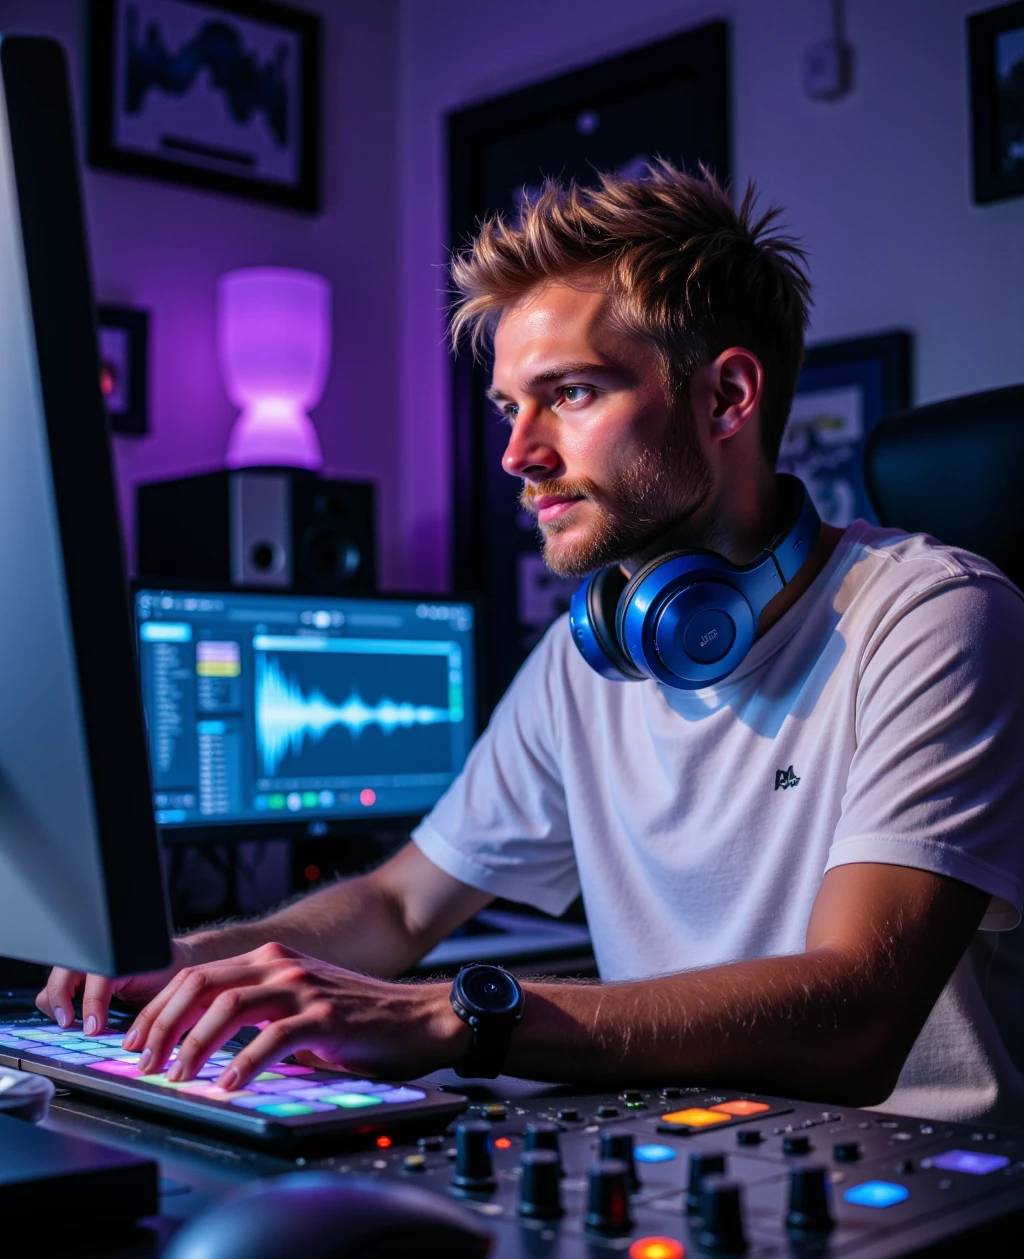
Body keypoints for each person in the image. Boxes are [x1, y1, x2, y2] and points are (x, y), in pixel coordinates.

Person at [40, 165, 1024, 1123]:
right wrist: (190, 962)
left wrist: (449, 1016)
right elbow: (399, 908)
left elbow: (857, 1015)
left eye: (573, 393)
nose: (517, 454)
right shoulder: (581, 657)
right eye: (512, 407)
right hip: (681, 1154)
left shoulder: (930, 616)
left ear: (726, 396)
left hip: (917, 1189)